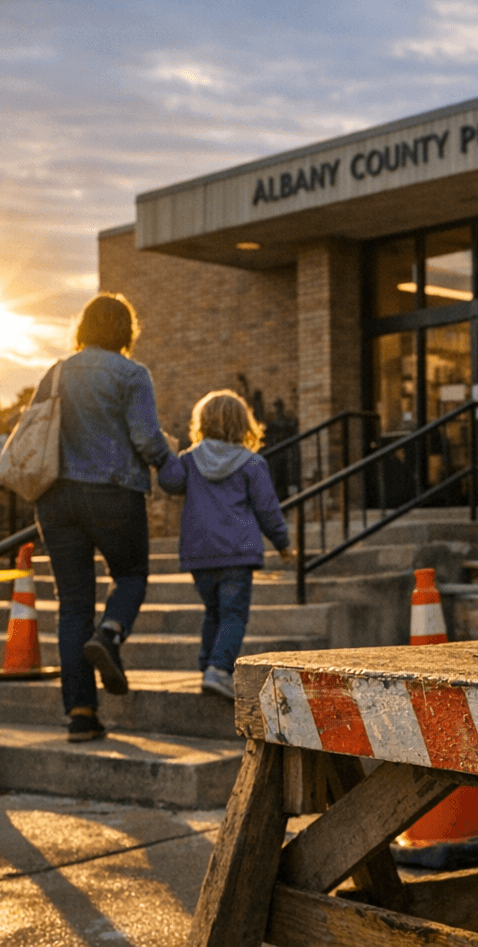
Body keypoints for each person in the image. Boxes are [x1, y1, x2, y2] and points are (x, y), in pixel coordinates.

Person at [35, 293, 174, 743]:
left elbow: (36, 430)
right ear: (126, 331)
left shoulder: (56, 372)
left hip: (55, 498)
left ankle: (80, 714)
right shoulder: (131, 373)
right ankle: (111, 634)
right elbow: (145, 437)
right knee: (130, 575)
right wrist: (171, 465)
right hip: (114, 493)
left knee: (73, 605)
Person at [158, 389, 293, 699]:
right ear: (242, 423)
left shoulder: (189, 461)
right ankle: (218, 670)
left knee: (213, 611)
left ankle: (208, 666)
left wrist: (163, 455)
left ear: (201, 422)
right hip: (236, 552)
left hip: (199, 552)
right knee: (233, 614)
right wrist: (283, 544)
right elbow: (267, 509)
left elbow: (170, 484)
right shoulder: (251, 463)